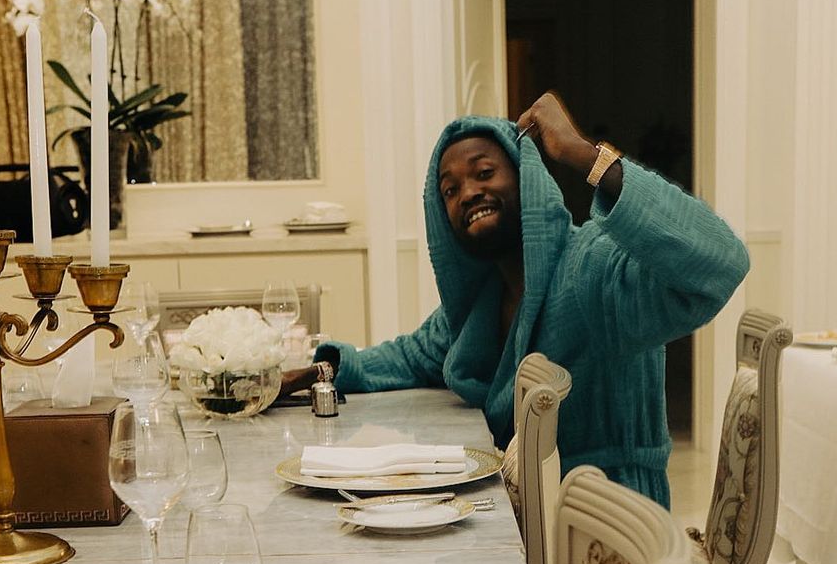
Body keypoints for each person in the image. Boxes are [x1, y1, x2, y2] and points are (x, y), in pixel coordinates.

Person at [282, 92, 749, 508]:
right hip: (520, 515)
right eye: (450, 190)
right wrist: (313, 373)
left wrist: (585, 154)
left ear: (527, 179)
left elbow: (722, 262)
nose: (469, 193)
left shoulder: (591, 269)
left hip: (606, 526)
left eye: (485, 172)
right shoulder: (483, 301)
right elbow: (410, 356)